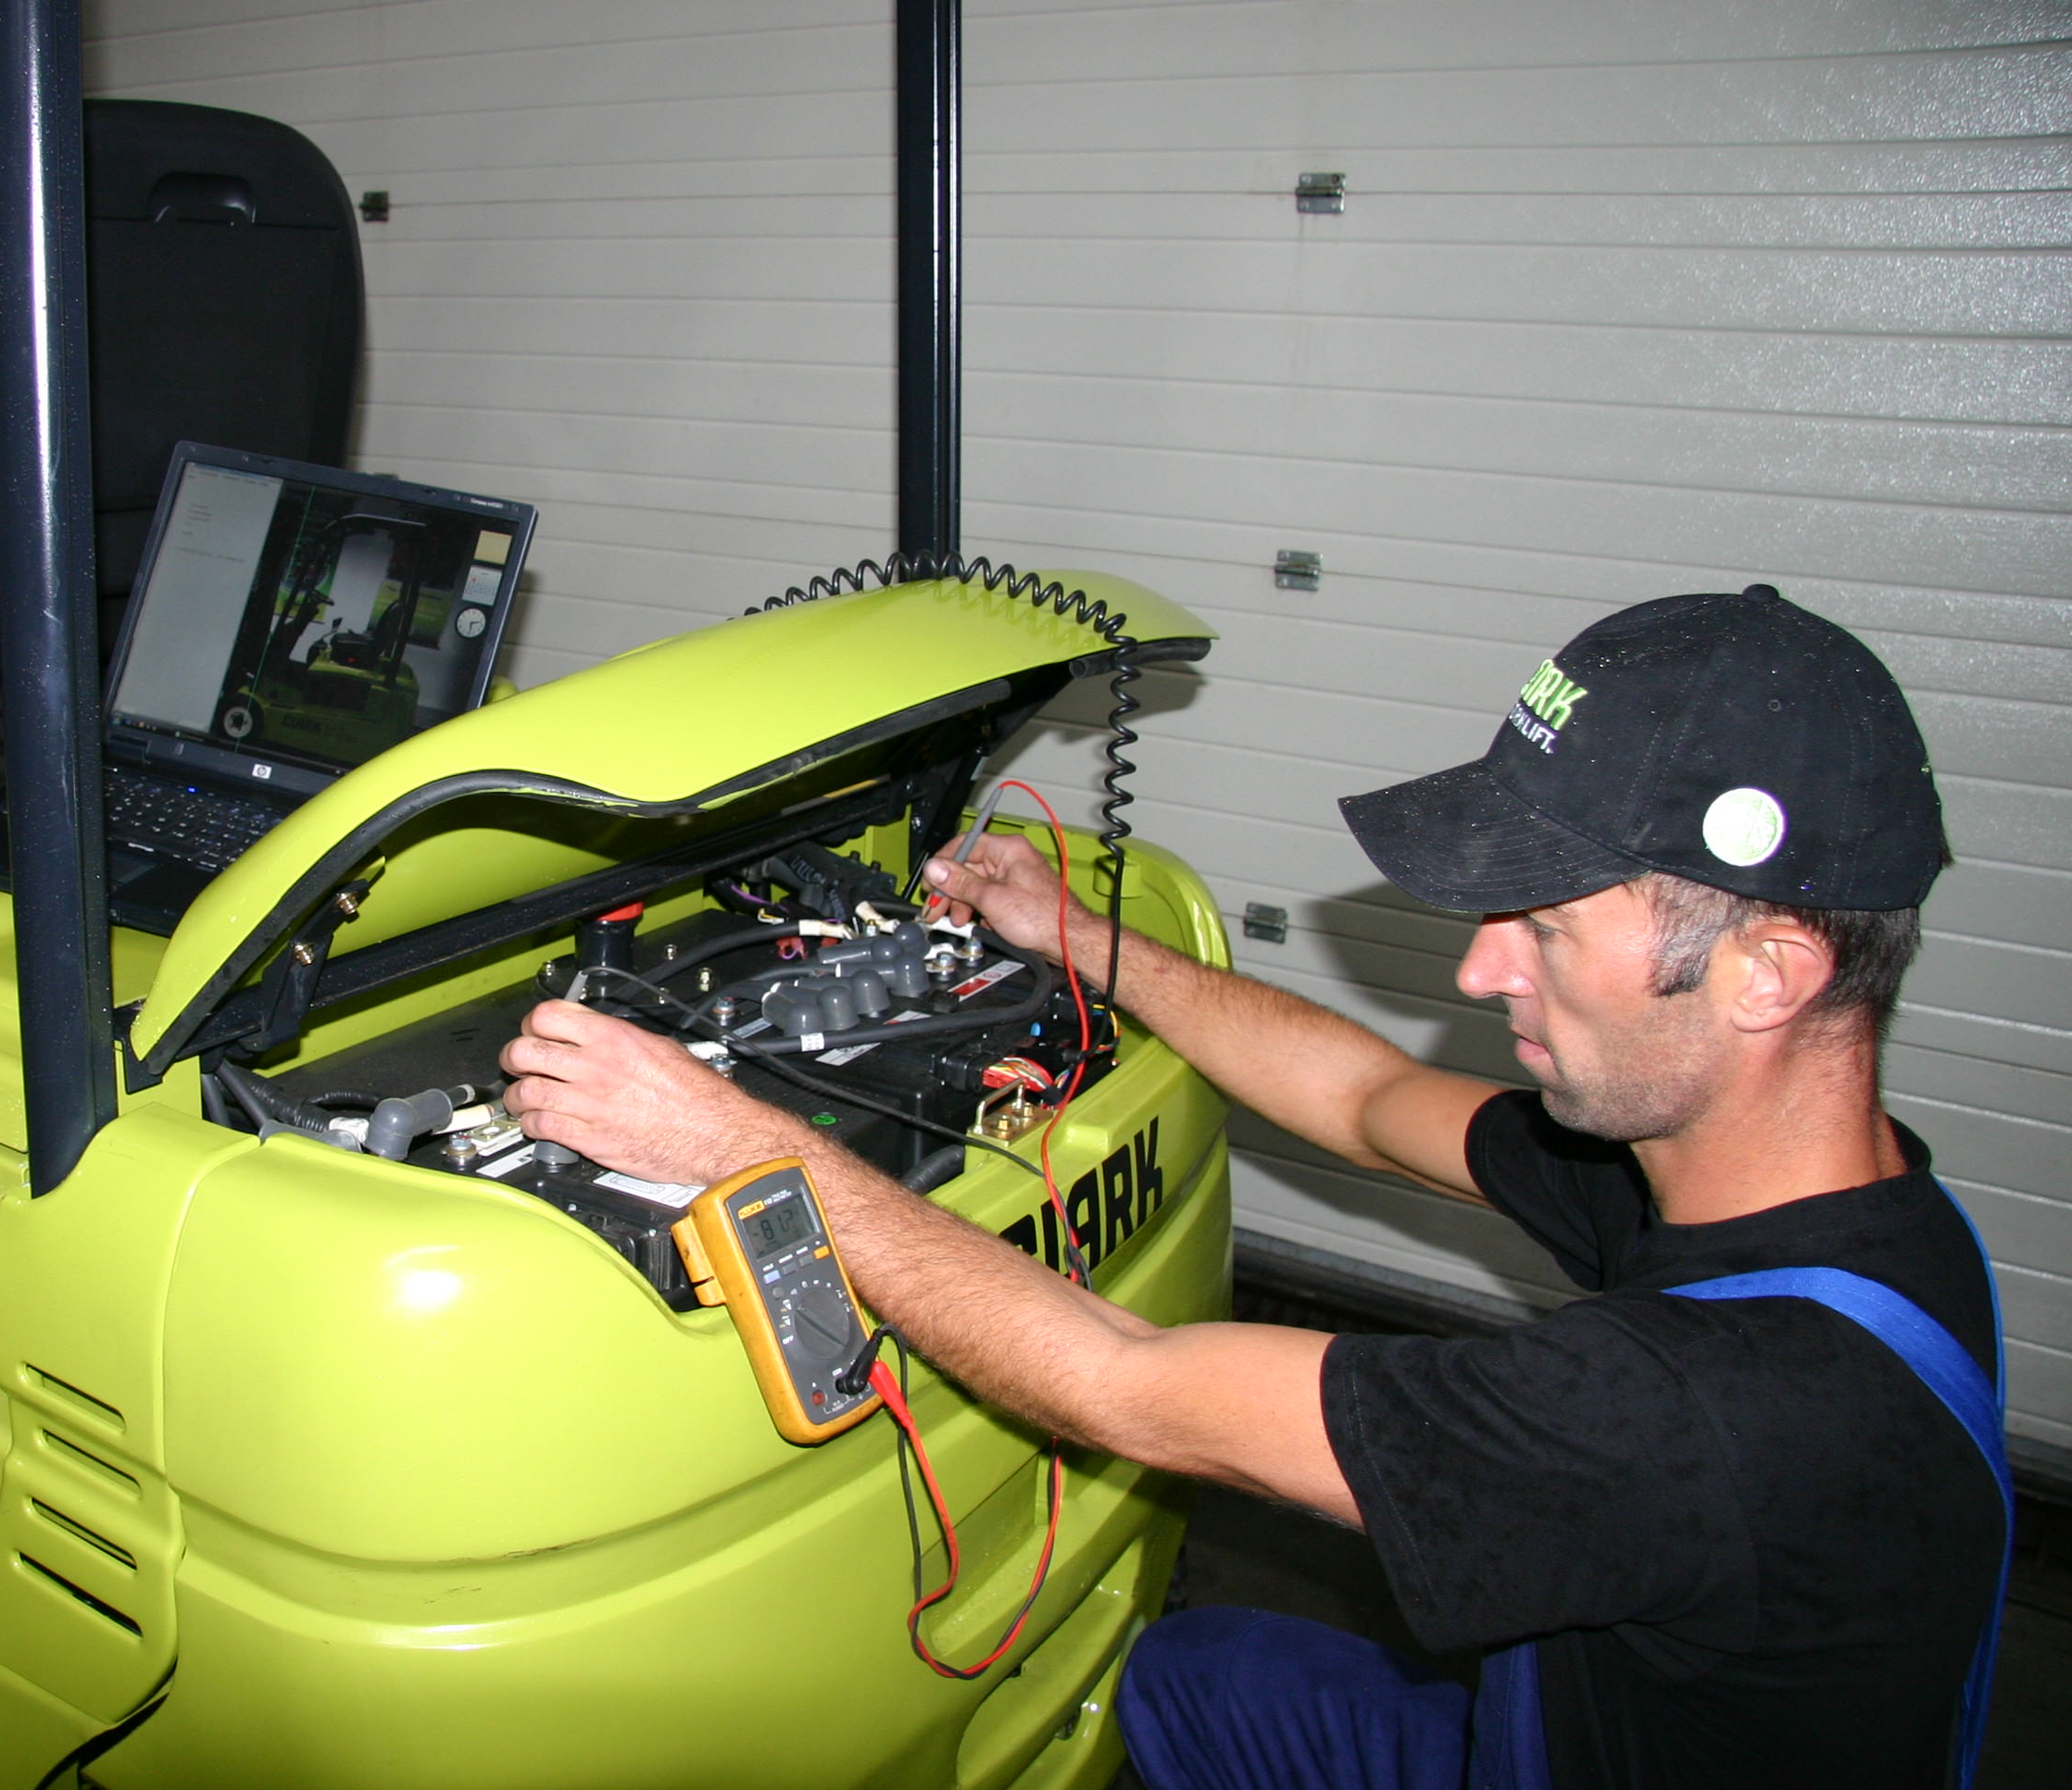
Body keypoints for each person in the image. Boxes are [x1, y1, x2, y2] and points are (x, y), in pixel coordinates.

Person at [499, 586, 2007, 1790]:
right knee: (1192, 1674)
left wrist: (735, 1143)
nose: (1481, 970)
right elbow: (1364, 1100)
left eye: (1543, 926)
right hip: (1607, 1712)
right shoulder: (1822, 1212)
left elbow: (1128, 1383)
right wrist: (1089, 944)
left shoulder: (1697, 1418)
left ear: (1769, 970)